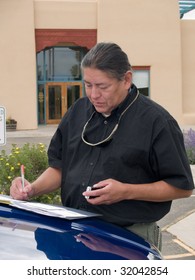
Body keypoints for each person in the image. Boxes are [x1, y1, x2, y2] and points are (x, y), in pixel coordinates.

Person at [10, 42, 194, 251]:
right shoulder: (77, 111)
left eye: (102, 86)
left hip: (130, 238)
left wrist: (125, 191)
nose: (93, 95)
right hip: (74, 231)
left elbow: (182, 187)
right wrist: (31, 189)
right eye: (88, 85)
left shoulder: (157, 122)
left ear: (126, 80)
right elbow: (60, 168)